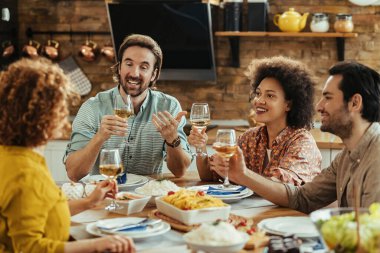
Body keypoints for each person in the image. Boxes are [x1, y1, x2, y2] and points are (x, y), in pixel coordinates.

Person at [0, 58, 135, 253]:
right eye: (60, 107)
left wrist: (89, 202)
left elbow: (42, 211)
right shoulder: (26, 173)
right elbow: (29, 248)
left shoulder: (13, 155)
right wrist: (97, 245)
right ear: (46, 115)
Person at [211, 60, 380, 213]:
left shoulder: (376, 157)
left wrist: (243, 175)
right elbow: (302, 198)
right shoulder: (345, 157)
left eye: (327, 97)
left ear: (355, 103)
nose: (319, 106)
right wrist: (242, 175)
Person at [65, 34, 192, 182]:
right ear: (119, 68)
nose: (134, 73)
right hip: (102, 198)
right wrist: (99, 137)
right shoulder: (93, 108)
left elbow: (180, 171)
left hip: (148, 197)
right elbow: (73, 173)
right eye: (129, 64)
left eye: (144, 67)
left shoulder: (169, 107)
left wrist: (172, 139)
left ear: (154, 74)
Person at [189, 56, 322, 186]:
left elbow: (281, 188)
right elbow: (210, 174)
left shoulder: (302, 143)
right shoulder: (249, 138)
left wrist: (242, 174)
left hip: (289, 209)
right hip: (253, 209)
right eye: (258, 93)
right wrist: (201, 146)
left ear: (289, 105)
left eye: (270, 95)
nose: (259, 101)